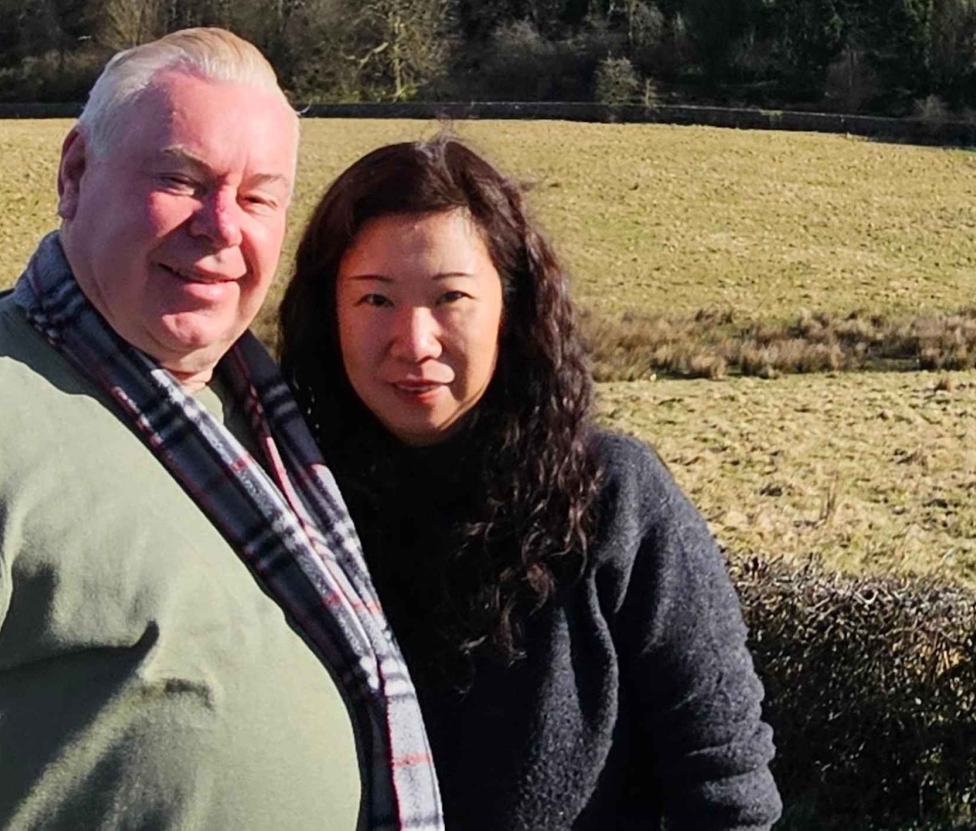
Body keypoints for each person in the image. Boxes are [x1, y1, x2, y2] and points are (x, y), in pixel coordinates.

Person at [0, 28, 442, 831]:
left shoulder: (261, 412)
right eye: (180, 179)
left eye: (258, 197)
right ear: (74, 174)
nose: (222, 226)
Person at [278, 137, 782, 831]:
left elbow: (727, 791)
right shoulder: (282, 507)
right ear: (328, 311)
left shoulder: (615, 501)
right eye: (375, 298)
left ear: (510, 308)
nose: (414, 340)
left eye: (450, 296)